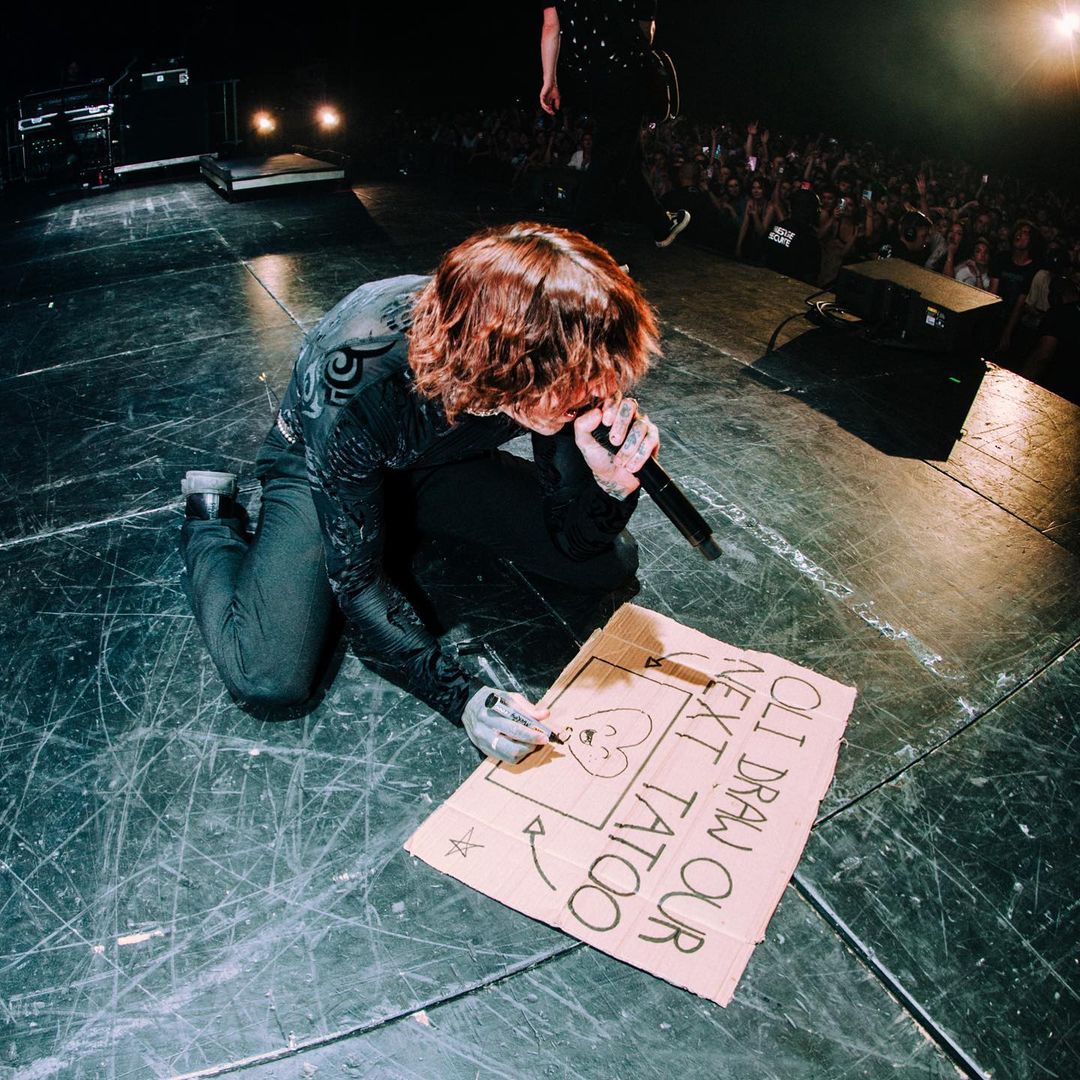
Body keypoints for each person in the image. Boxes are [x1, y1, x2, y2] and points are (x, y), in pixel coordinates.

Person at [180, 223, 661, 765]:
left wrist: (610, 484)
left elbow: (573, 537)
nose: (599, 393)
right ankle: (210, 523)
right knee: (269, 676)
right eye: (579, 382)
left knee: (605, 562)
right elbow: (358, 583)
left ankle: (404, 525)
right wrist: (463, 697)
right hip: (321, 464)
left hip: (435, 460)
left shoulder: (561, 354)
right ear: (503, 362)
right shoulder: (359, 383)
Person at [539, 2, 689, 248]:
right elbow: (646, 32)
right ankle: (582, 246)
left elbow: (551, 26)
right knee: (609, 159)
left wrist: (549, 80)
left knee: (626, 155)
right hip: (625, 74)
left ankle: (660, 224)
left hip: (589, 78)